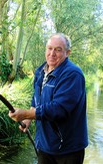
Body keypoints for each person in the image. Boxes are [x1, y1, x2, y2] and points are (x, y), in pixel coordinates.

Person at [9, 33, 88, 164]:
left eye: (58, 49)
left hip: (68, 149)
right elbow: (36, 99)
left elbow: (59, 108)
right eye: (49, 48)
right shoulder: (40, 71)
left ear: (67, 52)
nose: (52, 53)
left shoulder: (73, 74)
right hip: (45, 145)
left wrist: (26, 113)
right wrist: (28, 118)